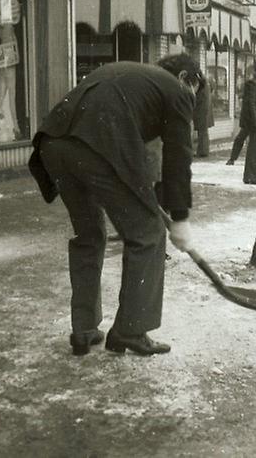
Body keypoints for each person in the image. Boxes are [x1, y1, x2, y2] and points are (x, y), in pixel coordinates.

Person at [28, 53, 201, 357]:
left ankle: (83, 329)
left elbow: (142, 152)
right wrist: (180, 216)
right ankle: (129, 330)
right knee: (147, 233)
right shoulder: (177, 91)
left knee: (90, 234)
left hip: (54, 144)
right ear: (189, 79)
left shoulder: (134, 75)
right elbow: (178, 158)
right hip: (97, 145)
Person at [192, 77, 214, 157]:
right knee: (203, 133)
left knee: (202, 133)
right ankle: (203, 151)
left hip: (202, 112)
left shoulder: (201, 85)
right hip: (206, 112)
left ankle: (202, 152)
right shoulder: (207, 84)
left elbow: (196, 96)